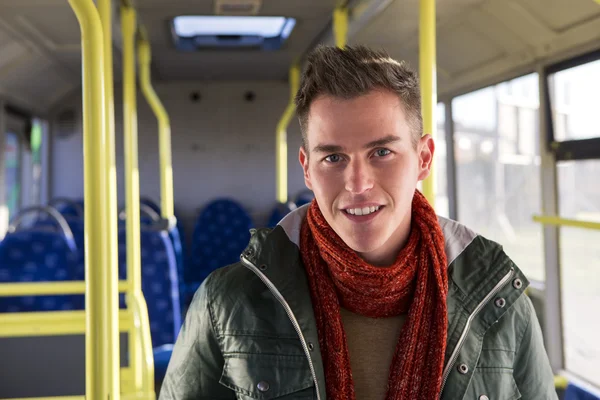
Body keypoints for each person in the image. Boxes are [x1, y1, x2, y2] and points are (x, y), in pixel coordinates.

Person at [159, 45, 557, 400]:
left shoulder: (500, 305)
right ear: (308, 170)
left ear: (423, 158)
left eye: (381, 151)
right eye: (333, 158)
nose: (358, 184)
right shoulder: (226, 302)